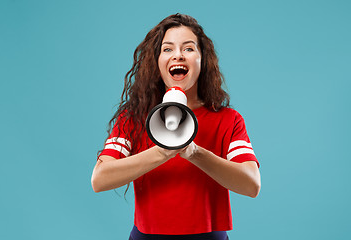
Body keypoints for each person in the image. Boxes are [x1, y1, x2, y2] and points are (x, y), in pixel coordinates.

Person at [91, 13, 261, 240]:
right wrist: (161, 151)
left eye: (189, 49)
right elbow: (99, 179)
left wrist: (194, 153)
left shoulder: (229, 119)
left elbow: (252, 185)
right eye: (168, 49)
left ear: (203, 60)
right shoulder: (133, 118)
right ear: (157, 61)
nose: (178, 55)